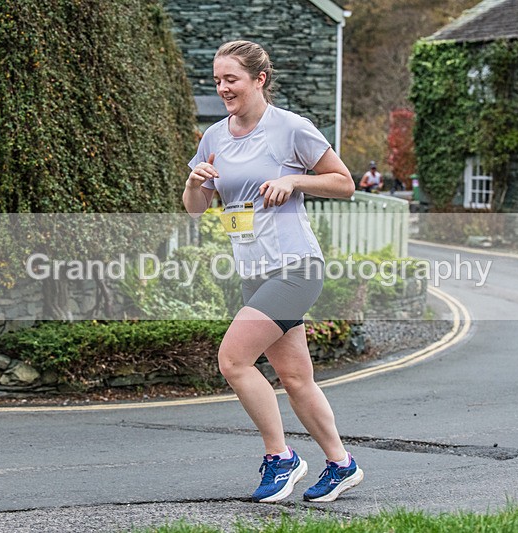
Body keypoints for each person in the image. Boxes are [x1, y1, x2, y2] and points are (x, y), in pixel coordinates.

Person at [183, 40, 363, 503]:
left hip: (295, 266)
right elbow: (195, 210)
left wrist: (293, 179)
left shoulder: (290, 128)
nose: (223, 88)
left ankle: (280, 457)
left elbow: (344, 183)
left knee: (234, 360)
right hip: (254, 271)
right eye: (218, 80)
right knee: (297, 378)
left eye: (232, 79)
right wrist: (194, 183)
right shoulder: (215, 137)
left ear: (259, 79)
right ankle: (342, 464)